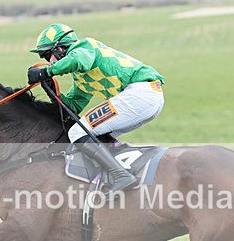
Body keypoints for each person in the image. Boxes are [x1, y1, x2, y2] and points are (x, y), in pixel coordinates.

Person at [27, 23, 164, 192]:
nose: (49, 61)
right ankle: (114, 174)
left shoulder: (85, 47)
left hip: (140, 94)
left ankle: (121, 176)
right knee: (97, 136)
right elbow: (72, 108)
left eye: (48, 55)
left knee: (77, 132)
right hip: (146, 98)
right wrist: (52, 91)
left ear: (60, 49)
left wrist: (47, 72)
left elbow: (77, 60)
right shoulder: (82, 78)